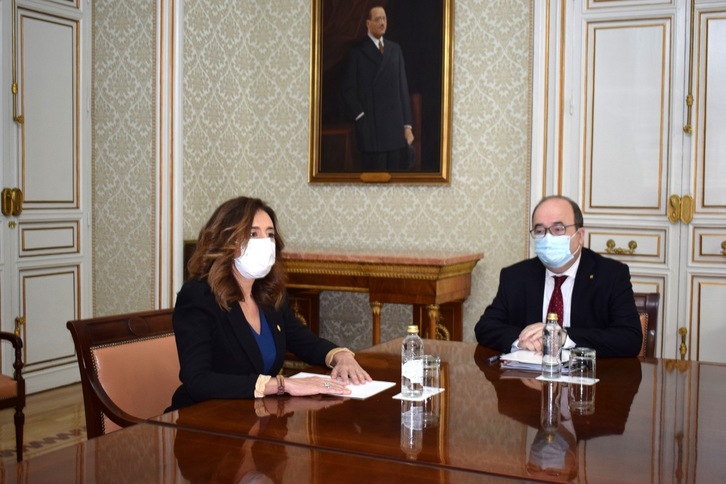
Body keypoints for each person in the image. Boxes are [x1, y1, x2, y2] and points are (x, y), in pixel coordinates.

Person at [169, 196, 371, 410]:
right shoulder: (198, 297)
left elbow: (305, 342)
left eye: (270, 235)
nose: (265, 242)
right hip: (204, 419)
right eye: (253, 233)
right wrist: (283, 385)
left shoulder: (270, 296)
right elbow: (199, 381)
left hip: (256, 416)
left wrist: (341, 356)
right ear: (226, 241)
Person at [475, 195, 642, 357]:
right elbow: (485, 327)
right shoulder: (515, 276)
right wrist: (521, 341)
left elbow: (630, 338)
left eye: (558, 229)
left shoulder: (611, 275)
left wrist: (564, 337)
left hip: (588, 380)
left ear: (580, 235)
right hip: (530, 380)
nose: (548, 238)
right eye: (540, 230)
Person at [342, 5, 414, 171]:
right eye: (377, 19)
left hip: (396, 130)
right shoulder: (357, 52)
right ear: (368, 23)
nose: (382, 23)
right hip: (371, 130)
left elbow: (403, 89)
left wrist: (407, 126)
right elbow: (348, 90)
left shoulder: (395, 49)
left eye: (384, 18)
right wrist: (360, 116)